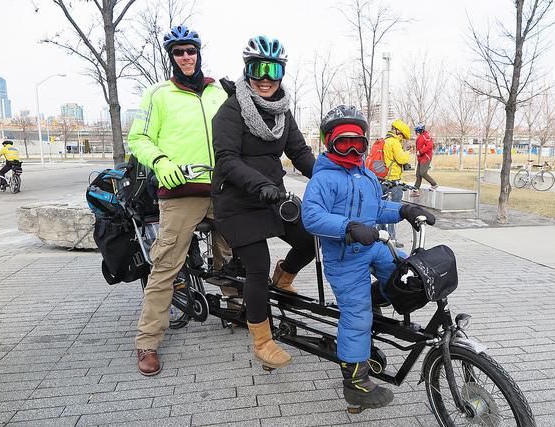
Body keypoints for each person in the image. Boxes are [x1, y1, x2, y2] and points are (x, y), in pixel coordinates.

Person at [301, 105, 435, 412]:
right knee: (357, 314)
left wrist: (404, 210)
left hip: (373, 245)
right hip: (344, 257)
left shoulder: (366, 177)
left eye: (357, 143)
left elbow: (376, 210)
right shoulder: (323, 179)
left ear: (364, 143)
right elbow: (312, 217)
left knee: (407, 273)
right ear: (328, 142)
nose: (350, 149)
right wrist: (347, 227)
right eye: (342, 142)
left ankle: (376, 296)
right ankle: (356, 383)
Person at [127, 24, 231, 376]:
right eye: (178, 52)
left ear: (199, 52)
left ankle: (237, 309)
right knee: (166, 266)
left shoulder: (220, 92)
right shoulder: (158, 94)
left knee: (232, 254)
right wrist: (159, 161)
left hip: (221, 188)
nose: (186, 57)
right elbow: (138, 139)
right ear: (171, 57)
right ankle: (147, 342)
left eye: (191, 51)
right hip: (180, 191)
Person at [211, 35, 316, 370]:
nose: (266, 77)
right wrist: (259, 183)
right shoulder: (230, 110)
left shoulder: (282, 113)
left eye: (274, 69)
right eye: (259, 69)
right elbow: (226, 158)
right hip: (237, 200)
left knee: (310, 240)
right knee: (257, 264)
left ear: (282, 72)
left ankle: (283, 278)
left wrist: (333, 178)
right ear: (247, 70)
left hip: (272, 196)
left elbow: (299, 152)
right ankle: (263, 340)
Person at [377, 119, 412, 248]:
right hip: (393, 181)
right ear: (398, 132)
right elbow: (401, 158)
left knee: (380, 210)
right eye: (402, 136)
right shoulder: (394, 143)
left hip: (381, 180)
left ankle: (381, 238)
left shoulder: (384, 141)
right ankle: (391, 239)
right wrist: (408, 152)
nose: (402, 139)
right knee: (393, 211)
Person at [414, 124, 438, 191]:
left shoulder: (426, 136)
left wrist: (421, 152)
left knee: (423, 173)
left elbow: (429, 146)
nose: (416, 133)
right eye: (416, 131)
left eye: (417, 131)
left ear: (421, 131)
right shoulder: (420, 137)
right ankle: (416, 188)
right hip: (420, 158)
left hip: (426, 157)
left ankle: (434, 184)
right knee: (418, 174)